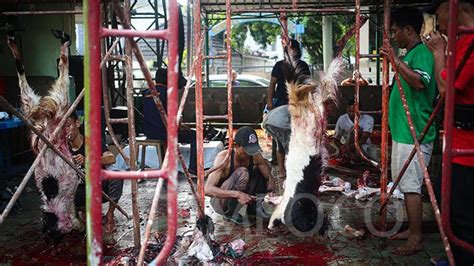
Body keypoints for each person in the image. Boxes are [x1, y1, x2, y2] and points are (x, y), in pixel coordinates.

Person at [379, 7, 437, 256]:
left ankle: (416, 238)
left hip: (415, 133)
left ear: (409, 30)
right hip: (404, 132)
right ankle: (411, 229)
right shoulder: (411, 54)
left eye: (395, 31)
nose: (392, 36)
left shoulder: (422, 53)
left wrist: (395, 61)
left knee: (412, 186)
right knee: (406, 185)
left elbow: (420, 82)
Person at [425, 0, 474, 264]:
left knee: (461, 216)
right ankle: (455, 255)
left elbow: (447, 91)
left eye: (437, 12)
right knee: (451, 211)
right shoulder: (461, 42)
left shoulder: (470, 43)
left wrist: (438, 52)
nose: (436, 20)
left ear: (453, 6)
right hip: (456, 143)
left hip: (467, 151)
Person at [65, 111, 123, 233]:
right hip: (79, 191)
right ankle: (77, 216)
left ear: (77, 123)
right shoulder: (63, 149)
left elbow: (111, 158)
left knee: (117, 176)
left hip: (99, 187)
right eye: (62, 128)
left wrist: (88, 160)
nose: (66, 131)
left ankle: (110, 215)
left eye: (68, 125)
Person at [205, 126, 275, 225]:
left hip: (241, 193)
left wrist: (271, 190)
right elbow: (207, 190)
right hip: (220, 202)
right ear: (235, 145)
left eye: (252, 149)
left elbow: (269, 176)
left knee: (266, 165)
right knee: (242, 172)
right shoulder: (223, 158)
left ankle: (254, 209)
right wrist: (237, 194)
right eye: (246, 150)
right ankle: (231, 214)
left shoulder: (255, 155)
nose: (249, 154)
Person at [266, 38, 311, 178]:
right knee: (280, 139)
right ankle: (281, 170)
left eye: (294, 49)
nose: (291, 51)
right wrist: (269, 101)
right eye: (289, 49)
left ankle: (297, 168)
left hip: (298, 105)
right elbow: (272, 85)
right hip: (281, 104)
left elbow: (307, 85)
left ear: (297, 51)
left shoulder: (303, 65)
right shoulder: (279, 65)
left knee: (298, 137)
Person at [143, 68, 197, 174]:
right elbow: (171, 118)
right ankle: (193, 168)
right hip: (165, 132)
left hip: (148, 132)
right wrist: (180, 127)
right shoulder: (168, 93)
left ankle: (164, 165)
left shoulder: (146, 93)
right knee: (195, 136)